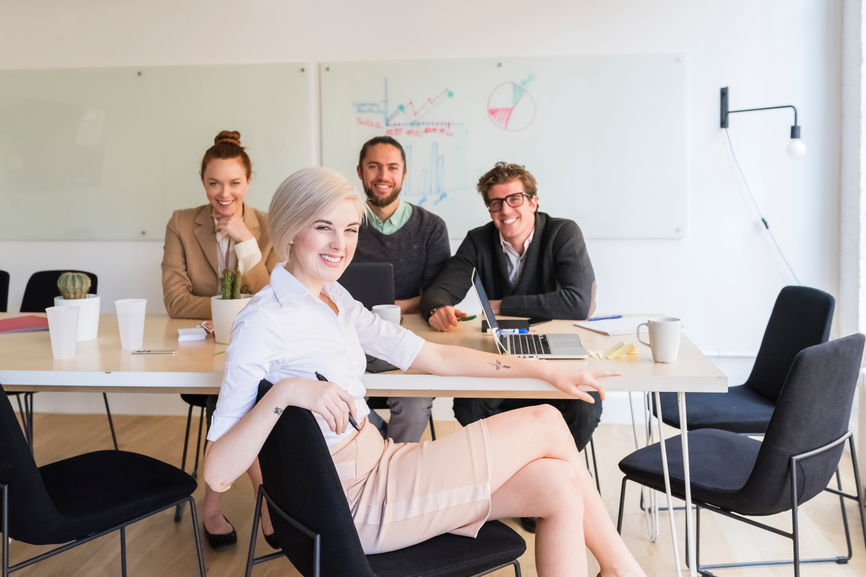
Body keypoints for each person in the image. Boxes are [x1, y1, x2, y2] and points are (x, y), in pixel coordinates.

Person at [203, 167, 647, 577]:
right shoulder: (264, 321)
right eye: (324, 227)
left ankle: (618, 570)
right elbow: (218, 472)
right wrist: (284, 394)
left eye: (350, 229)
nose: (340, 244)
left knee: (560, 482)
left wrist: (541, 370)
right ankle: (625, 570)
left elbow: (435, 358)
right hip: (354, 503)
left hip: (382, 462)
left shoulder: (333, 299)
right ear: (290, 230)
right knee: (547, 420)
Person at [419, 162, 600, 532]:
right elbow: (441, 289)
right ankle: (518, 486)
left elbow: (576, 302)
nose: (505, 210)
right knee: (469, 403)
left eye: (514, 199)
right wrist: (438, 308)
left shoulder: (563, 233)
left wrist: (502, 306)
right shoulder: (478, 240)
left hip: (555, 351)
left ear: (533, 201)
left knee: (585, 407)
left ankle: (537, 488)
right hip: (503, 355)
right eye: (495, 203)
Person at [161, 130, 281, 550]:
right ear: (203, 183)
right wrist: (227, 309)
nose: (223, 193)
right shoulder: (181, 222)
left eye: (233, 183)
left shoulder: (268, 227)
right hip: (202, 352)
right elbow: (176, 300)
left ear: (248, 182)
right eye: (214, 183)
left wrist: (246, 242)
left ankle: (217, 506)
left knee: (247, 395)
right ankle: (265, 503)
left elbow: (275, 296)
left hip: (259, 349)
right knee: (237, 398)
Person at [352, 136, 450, 443]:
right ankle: (382, 457)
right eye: (374, 166)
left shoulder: (431, 227)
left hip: (408, 342)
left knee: (414, 405)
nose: (383, 175)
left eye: (392, 167)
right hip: (349, 340)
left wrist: (392, 307)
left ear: (404, 174)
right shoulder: (343, 223)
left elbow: (436, 294)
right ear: (360, 171)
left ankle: (393, 474)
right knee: (338, 398)